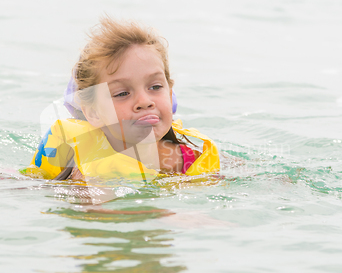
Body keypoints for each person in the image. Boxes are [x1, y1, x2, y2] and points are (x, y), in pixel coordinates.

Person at [21, 16, 220, 183]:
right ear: (94, 112)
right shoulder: (83, 173)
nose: (144, 101)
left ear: (170, 95)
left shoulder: (189, 160)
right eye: (122, 93)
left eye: (155, 87)